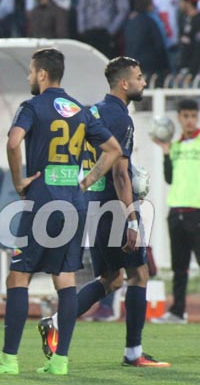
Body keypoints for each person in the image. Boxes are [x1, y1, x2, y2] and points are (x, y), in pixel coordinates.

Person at [0, 48, 122, 375]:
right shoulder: (82, 111)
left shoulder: (32, 106)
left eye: (29, 72)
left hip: (42, 200)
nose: (28, 77)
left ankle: (9, 360)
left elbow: (13, 143)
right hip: (74, 201)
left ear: (41, 74)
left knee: (18, 276)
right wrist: (87, 181)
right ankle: (60, 361)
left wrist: (18, 179)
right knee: (65, 278)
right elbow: (113, 150)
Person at [39, 57, 170, 368]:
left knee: (111, 279)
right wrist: (132, 219)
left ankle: (56, 321)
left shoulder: (92, 112)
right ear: (124, 83)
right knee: (139, 275)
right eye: (139, 78)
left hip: (94, 206)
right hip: (113, 207)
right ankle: (133, 353)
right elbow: (120, 174)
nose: (143, 82)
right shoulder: (121, 119)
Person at [152, 99, 200, 324]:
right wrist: (165, 152)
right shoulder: (177, 145)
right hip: (176, 211)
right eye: (185, 116)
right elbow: (169, 178)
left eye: (193, 115)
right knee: (178, 267)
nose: (189, 120)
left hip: (197, 211)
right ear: (179, 118)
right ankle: (177, 312)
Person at [178, 0, 200, 75]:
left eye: (182, 0)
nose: (179, 3)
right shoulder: (184, 18)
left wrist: (192, 70)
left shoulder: (198, 20)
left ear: (188, 2)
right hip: (185, 68)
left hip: (194, 70)